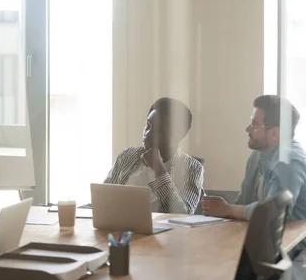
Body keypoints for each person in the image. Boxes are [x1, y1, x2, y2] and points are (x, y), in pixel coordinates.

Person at [202, 95, 306, 223]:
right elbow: (242, 201)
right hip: (259, 235)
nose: (247, 129)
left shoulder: (289, 161)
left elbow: (274, 212)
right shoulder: (257, 155)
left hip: (292, 241)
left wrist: (228, 209)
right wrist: (222, 213)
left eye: (255, 125)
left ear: (275, 133)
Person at [102, 97, 204, 214]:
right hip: (121, 229)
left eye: (159, 131)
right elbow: (103, 199)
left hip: (165, 232)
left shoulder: (193, 168)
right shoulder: (127, 156)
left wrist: (159, 171)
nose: (148, 133)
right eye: (148, 125)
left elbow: (184, 214)